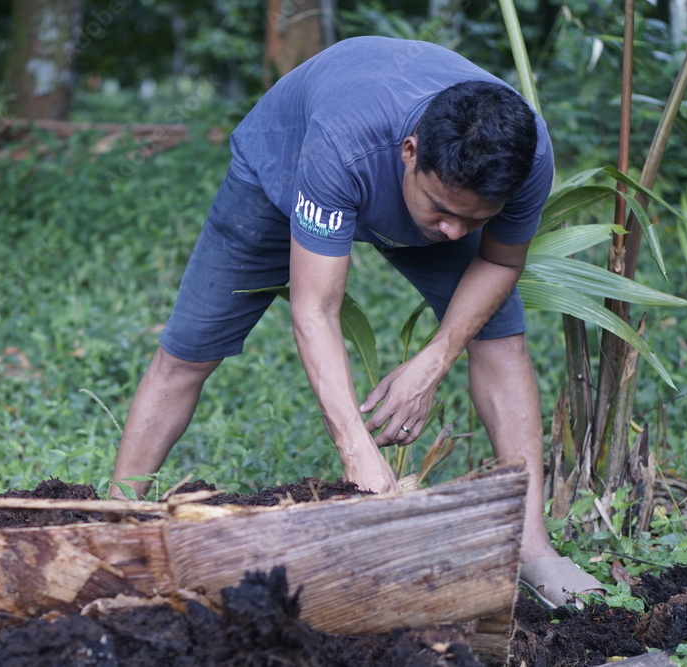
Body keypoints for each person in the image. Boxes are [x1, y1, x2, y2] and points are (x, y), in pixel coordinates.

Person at [110, 36, 604, 608]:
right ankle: (121, 520)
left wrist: (434, 359)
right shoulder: (343, 142)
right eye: (442, 209)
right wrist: (357, 453)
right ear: (411, 151)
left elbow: (498, 258)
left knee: (501, 340)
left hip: (400, 176)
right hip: (284, 169)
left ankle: (532, 547)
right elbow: (314, 309)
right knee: (188, 352)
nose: (451, 232)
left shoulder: (523, 157)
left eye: (473, 218)